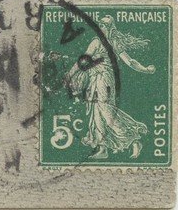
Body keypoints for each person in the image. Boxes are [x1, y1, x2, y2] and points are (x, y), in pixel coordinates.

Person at [64, 16, 154, 159]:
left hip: (105, 79)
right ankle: (102, 148)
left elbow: (129, 61)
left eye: (105, 24)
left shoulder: (113, 43)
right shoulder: (96, 42)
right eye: (100, 24)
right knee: (96, 112)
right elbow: (84, 60)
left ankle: (132, 139)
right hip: (94, 79)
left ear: (111, 27)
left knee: (105, 110)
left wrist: (145, 69)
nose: (102, 26)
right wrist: (70, 74)